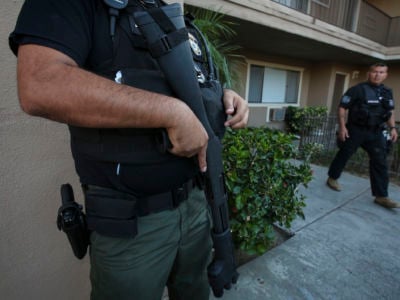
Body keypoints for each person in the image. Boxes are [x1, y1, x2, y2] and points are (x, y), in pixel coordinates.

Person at [9, 0, 249, 299]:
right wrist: (169, 113)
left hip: (197, 203)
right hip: (134, 225)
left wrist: (223, 96)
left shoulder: (172, 16)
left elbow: (188, 83)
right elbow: (40, 85)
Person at [327, 62, 399, 209]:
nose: (377, 75)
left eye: (381, 72)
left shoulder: (387, 92)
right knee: (344, 154)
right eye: (374, 71)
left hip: (376, 132)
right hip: (356, 130)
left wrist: (393, 128)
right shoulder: (357, 90)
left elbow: (390, 111)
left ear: (385, 75)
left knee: (380, 161)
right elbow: (342, 108)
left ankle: (381, 196)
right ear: (369, 73)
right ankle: (332, 178)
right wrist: (342, 128)